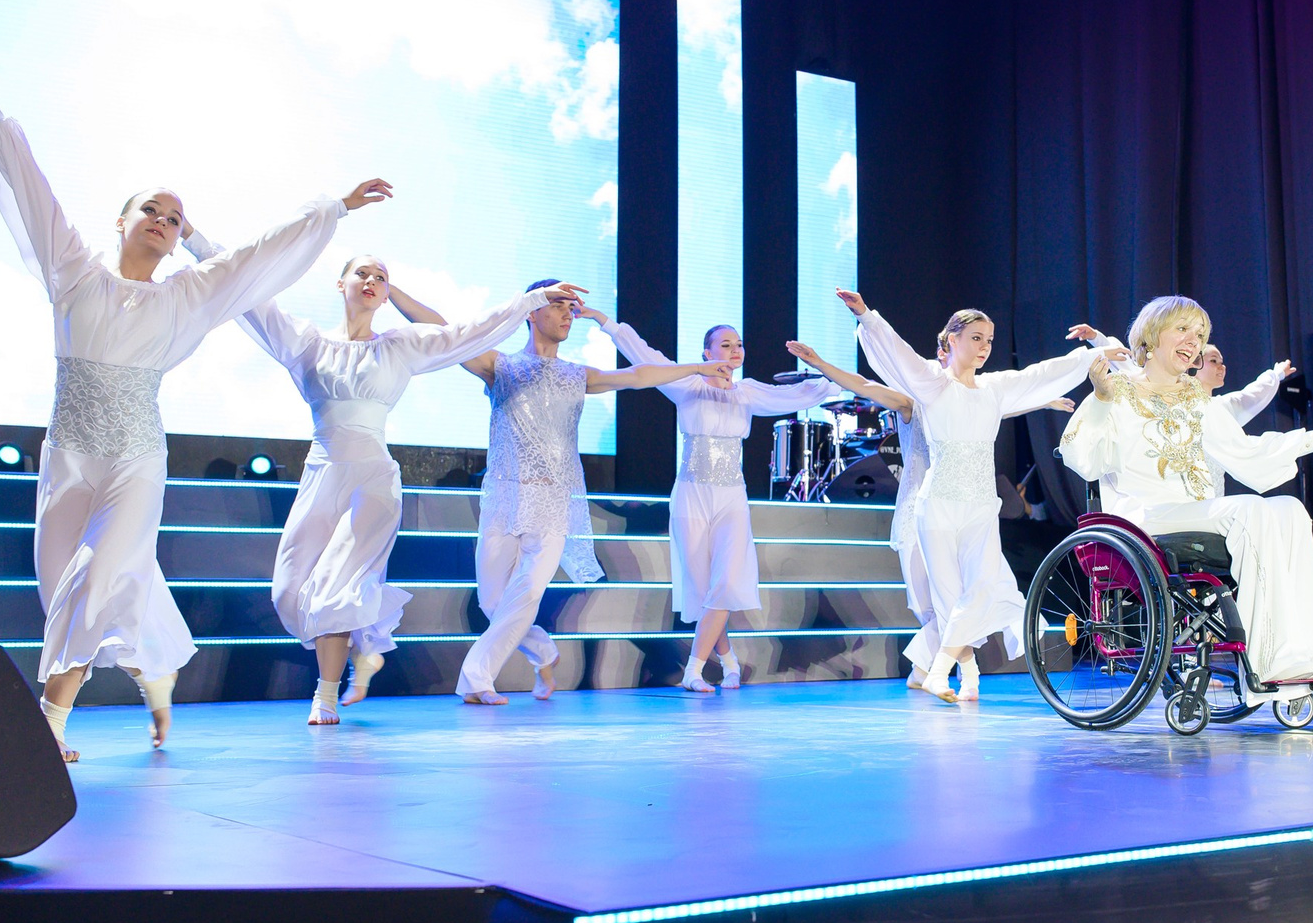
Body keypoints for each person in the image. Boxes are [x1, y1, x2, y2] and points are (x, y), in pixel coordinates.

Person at [0, 30, 388, 759]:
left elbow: (257, 253)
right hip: (68, 455)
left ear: (180, 239)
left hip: (137, 459)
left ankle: (50, 722)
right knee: (69, 585)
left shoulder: (185, 296)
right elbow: (31, 188)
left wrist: (333, 207)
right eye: (152, 209)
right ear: (122, 220)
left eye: (175, 219)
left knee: (100, 573)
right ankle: (158, 673)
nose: (164, 221)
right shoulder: (74, 272)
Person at [182, 235, 582, 724]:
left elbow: (466, 333)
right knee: (288, 592)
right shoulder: (305, 342)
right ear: (341, 284)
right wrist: (193, 240)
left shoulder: (398, 347)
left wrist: (532, 300)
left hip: (372, 481)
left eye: (381, 277)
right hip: (321, 474)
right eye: (363, 273)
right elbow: (247, 290)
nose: (372, 281)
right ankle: (364, 645)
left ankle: (325, 695)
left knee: (335, 586)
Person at [390, 290, 735, 703]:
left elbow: (638, 375)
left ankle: (477, 679)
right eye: (557, 306)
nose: (567, 315)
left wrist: (699, 367)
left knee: (527, 594)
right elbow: (443, 331)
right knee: (493, 602)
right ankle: (543, 651)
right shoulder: (501, 366)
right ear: (531, 312)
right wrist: (391, 291)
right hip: (503, 499)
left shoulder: (577, 375)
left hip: (552, 504)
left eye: (571, 309)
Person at [1059, 296, 1313, 704]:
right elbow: (1081, 457)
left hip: (1194, 513)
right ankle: (1269, 661)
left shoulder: (1194, 396)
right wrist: (1099, 399)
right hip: (1143, 518)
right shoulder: (1119, 390)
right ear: (1152, 334)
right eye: (1183, 329)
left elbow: (1245, 452)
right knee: (1249, 510)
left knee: (1289, 509)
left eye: (1200, 335)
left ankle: (1307, 654)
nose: (1193, 341)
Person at [842, 291, 1111, 704]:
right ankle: (969, 676)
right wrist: (866, 315)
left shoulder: (993, 388)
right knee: (949, 596)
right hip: (937, 504)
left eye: (989, 340)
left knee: (982, 588)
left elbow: (1040, 373)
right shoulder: (932, 384)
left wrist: (1097, 352)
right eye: (976, 338)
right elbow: (898, 354)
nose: (985, 347)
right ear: (951, 340)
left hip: (981, 505)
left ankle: (938, 672)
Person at [783, 339, 1075, 691]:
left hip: (961, 509)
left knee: (966, 594)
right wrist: (820, 363)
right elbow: (864, 385)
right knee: (933, 605)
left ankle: (949, 672)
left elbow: (997, 407)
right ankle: (939, 670)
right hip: (921, 510)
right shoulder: (914, 401)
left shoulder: (967, 398)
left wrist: (1041, 400)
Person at [598, 316, 836, 692]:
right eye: (725, 345)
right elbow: (644, 355)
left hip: (731, 497)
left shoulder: (748, 392)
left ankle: (693, 671)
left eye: (738, 344)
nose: (734, 350)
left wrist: (828, 371)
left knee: (725, 582)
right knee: (703, 589)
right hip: (691, 495)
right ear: (706, 353)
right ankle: (729, 662)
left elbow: (801, 394)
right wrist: (605, 322)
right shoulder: (686, 385)